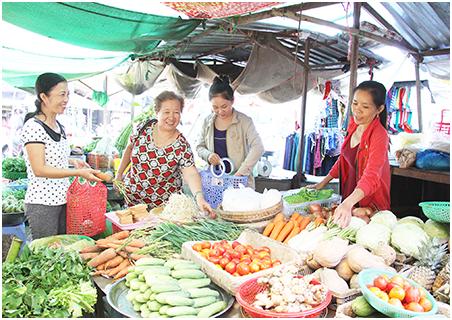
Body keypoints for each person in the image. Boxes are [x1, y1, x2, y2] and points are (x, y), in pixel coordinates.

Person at [21, 72, 101, 240]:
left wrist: (73, 162)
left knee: (62, 250)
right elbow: (40, 169)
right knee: (45, 254)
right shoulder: (33, 127)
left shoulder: (59, 126)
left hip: (64, 199)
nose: (66, 100)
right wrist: (77, 173)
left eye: (67, 95)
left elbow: (54, 157)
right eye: (61, 94)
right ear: (44, 96)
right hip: (43, 204)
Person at [115, 90, 214, 217]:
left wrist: (199, 196)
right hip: (132, 203)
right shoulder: (144, 128)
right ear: (157, 112)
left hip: (162, 211)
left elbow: (191, 173)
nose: (171, 117)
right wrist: (119, 174)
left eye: (176, 112)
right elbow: (129, 148)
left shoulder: (181, 145)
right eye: (166, 112)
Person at [308, 80, 391, 228]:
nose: (357, 110)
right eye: (355, 103)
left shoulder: (380, 135)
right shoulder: (353, 124)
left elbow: (372, 175)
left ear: (379, 109)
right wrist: (322, 183)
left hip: (369, 205)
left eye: (365, 107)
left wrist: (348, 203)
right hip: (350, 199)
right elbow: (344, 158)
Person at [196, 75, 264, 188]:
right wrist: (208, 155)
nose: (220, 111)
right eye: (215, 107)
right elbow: (199, 147)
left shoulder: (244, 121)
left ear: (232, 101)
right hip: (216, 181)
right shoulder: (207, 122)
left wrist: (241, 172)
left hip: (240, 181)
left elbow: (258, 147)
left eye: (224, 106)